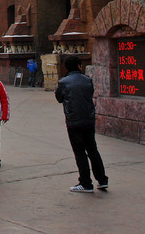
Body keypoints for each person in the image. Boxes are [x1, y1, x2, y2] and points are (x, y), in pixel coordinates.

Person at [55, 55, 108, 193]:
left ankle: (86, 183)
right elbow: (90, 94)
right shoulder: (87, 80)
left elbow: (59, 98)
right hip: (88, 120)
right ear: (79, 65)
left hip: (74, 122)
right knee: (92, 150)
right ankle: (102, 180)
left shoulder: (63, 82)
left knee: (80, 153)